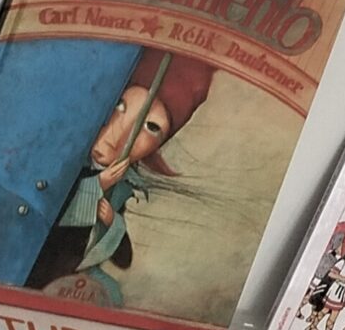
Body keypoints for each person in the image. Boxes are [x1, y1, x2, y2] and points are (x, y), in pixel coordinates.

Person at [27, 48, 213, 303]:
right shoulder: (62, 158)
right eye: (120, 106)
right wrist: (97, 185)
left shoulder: (121, 187)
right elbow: (44, 211)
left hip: (62, 285)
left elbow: (123, 258)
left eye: (151, 127)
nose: (121, 135)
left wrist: (112, 222)